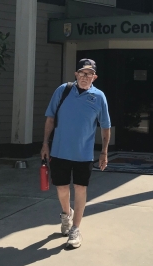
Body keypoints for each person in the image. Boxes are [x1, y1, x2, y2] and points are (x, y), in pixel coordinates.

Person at [41, 59, 111, 249]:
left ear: (94, 77)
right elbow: (50, 118)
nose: (85, 77)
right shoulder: (63, 90)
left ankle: (75, 229)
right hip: (60, 150)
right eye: (82, 73)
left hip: (84, 154)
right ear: (76, 74)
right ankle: (66, 214)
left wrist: (104, 152)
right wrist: (45, 144)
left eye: (89, 74)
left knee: (80, 188)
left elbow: (105, 127)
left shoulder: (99, 97)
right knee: (62, 188)